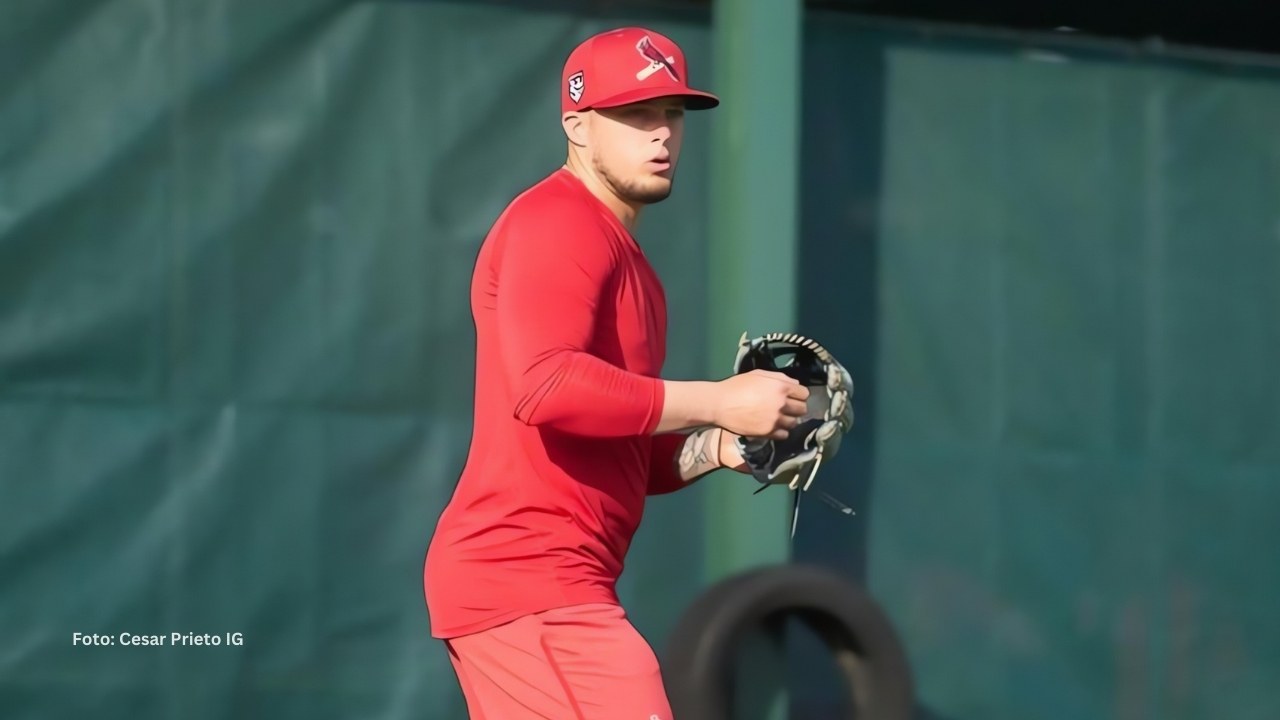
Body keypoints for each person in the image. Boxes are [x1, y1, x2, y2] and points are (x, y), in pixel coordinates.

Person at [423, 26, 809, 720]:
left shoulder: (634, 268)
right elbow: (545, 387)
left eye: (672, 115)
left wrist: (723, 446)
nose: (660, 134)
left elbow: (621, 445)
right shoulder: (560, 221)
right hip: (529, 580)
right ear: (576, 124)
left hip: (552, 585)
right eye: (635, 115)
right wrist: (719, 401)